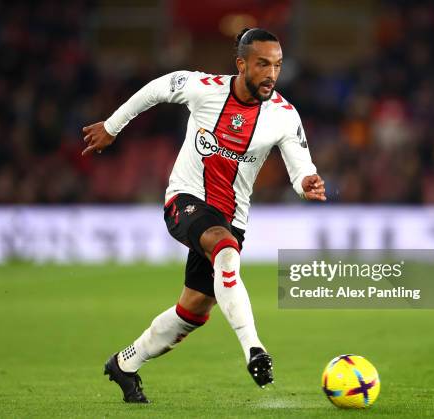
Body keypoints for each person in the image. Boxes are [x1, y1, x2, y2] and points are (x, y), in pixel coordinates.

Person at [82, 28, 326, 404]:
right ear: (241, 64)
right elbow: (157, 88)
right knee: (225, 249)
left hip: (233, 217)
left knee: (194, 310)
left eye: (277, 65)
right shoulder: (204, 88)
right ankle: (254, 350)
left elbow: (300, 168)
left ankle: (124, 364)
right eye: (262, 64)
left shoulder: (283, 115)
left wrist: (306, 182)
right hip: (185, 200)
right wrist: (113, 126)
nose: (271, 74)